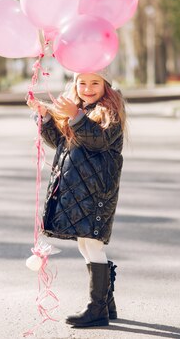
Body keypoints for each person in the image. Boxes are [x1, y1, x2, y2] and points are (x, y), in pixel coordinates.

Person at [27, 67, 126, 328]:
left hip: (97, 192)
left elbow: (98, 140)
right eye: (82, 82)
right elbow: (60, 142)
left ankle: (97, 309)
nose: (88, 88)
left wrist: (76, 116)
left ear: (106, 86)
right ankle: (107, 303)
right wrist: (46, 117)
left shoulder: (110, 113)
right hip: (81, 192)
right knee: (86, 244)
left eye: (95, 82)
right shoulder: (79, 109)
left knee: (93, 244)